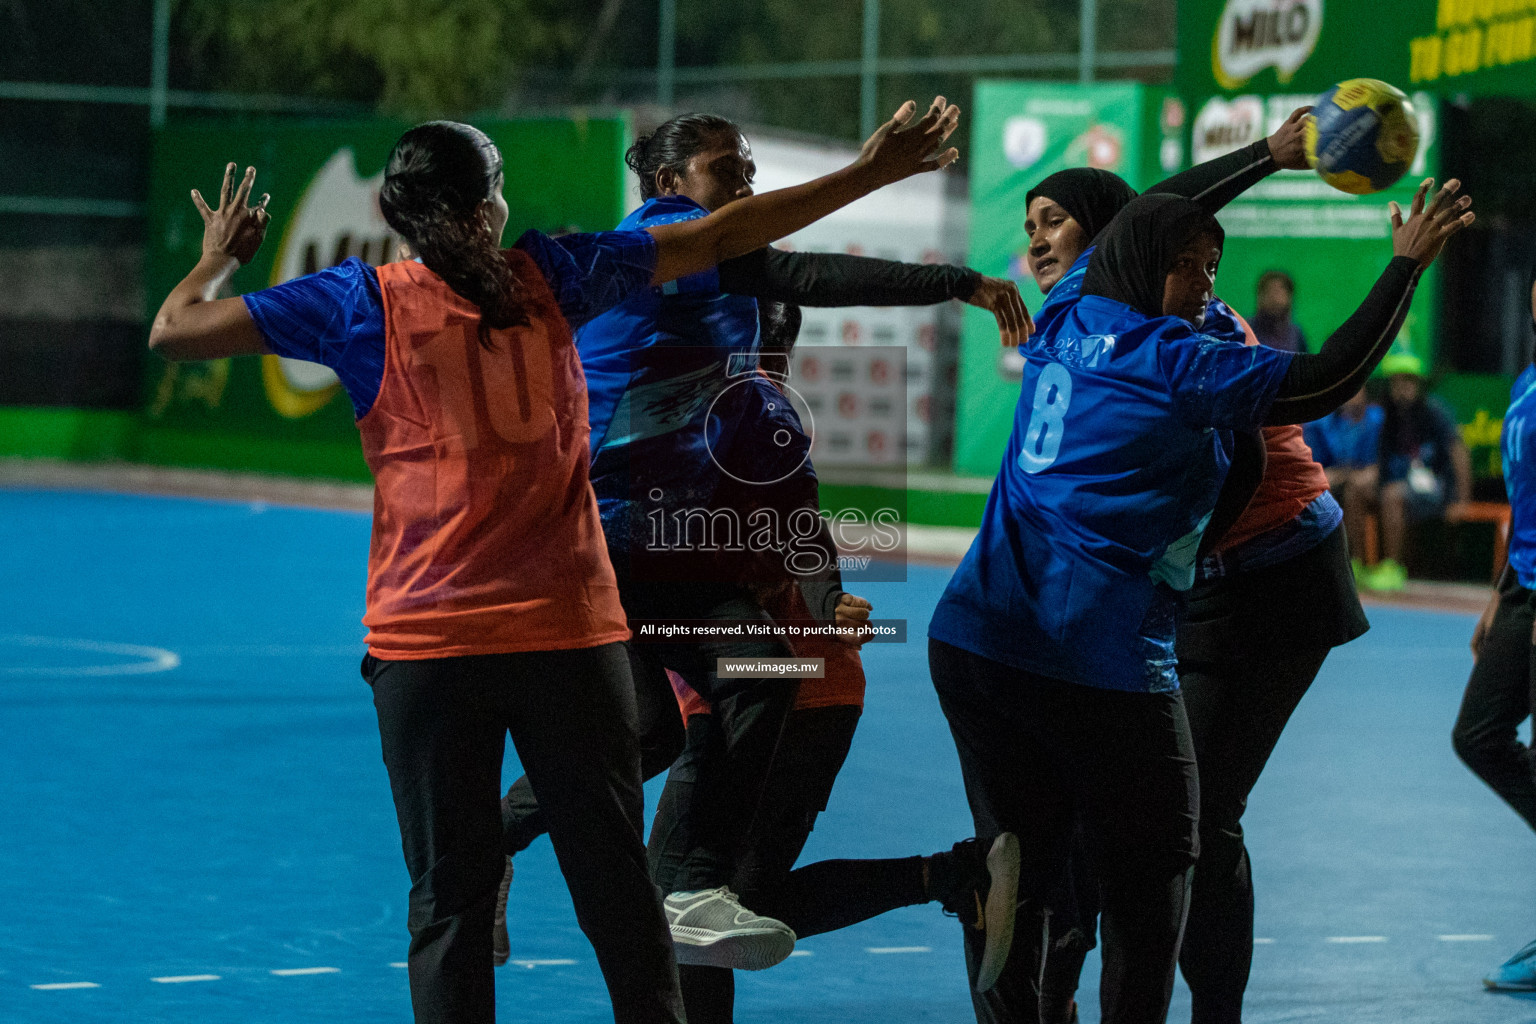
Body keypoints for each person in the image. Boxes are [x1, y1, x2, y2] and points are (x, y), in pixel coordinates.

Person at [146, 109, 968, 1024]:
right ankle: (685, 884)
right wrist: (869, 173)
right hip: (566, 635)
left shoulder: (358, 302)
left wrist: (219, 253)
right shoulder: (557, 274)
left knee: (449, 910)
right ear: (491, 205)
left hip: (429, 649)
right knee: (624, 892)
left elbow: (175, 328)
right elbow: (737, 238)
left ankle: (623, 870)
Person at [494, 108, 1027, 974]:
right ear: (669, 185)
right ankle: (662, 881)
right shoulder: (666, 246)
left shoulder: (740, 391)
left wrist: (826, 594)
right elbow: (798, 268)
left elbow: (800, 518)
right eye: (727, 171)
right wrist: (949, 279)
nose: (746, 186)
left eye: (749, 170)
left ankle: (509, 856)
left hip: (635, 559)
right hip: (610, 547)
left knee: (685, 730)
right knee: (731, 701)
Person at [929, 179, 1472, 1024]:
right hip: (1133, 611)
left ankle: (1200, 1010)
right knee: (1105, 839)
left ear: (1105, 242)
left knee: (1188, 827)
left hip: (1267, 578)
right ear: (1136, 254)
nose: (1038, 244)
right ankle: (1053, 993)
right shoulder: (1110, 321)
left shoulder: (1168, 338)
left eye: (1055, 224)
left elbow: (1311, 396)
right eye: (1028, 225)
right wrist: (1277, 158)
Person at [643, 299, 1021, 1022]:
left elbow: (792, 539)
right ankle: (951, 876)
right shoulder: (701, 413)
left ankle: (951, 875)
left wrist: (822, 597)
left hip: (784, 692)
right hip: (778, 691)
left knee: (681, 909)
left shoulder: (740, 423)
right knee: (712, 910)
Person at [1453, 268, 1536, 992]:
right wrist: (1497, 592)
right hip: (1522, 591)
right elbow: (1525, 502)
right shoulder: (1528, 382)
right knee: (1479, 735)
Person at [1360, 351, 1473, 591]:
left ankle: (1392, 568)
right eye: (1397, 381)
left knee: (1392, 495)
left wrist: (1459, 500)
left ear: (1419, 384)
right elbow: (1380, 457)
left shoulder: (1435, 412)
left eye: (1408, 381)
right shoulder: (1385, 415)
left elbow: (1458, 454)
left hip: (1435, 487)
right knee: (1356, 490)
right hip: (1397, 484)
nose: (1402, 388)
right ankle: (1356, 565)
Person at [1304, 386, 1384, 577]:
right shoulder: (1320, 423)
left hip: (1369, 485)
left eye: (1357, 390)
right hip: (1335, 482)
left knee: (1354, 492)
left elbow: (1380, 463)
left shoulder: (1379, 419)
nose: (1351, 395)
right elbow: (1314, 466)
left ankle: (1356, 562)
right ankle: (1324, 564)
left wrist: (1371, 473)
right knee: (1320, 496)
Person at [1250, 269, 1309, 353]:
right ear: (1260, 296)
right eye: (1270, 291)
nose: (1275, 299)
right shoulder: (1245, 330)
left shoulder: (1296, 335)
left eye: (1279, 292)